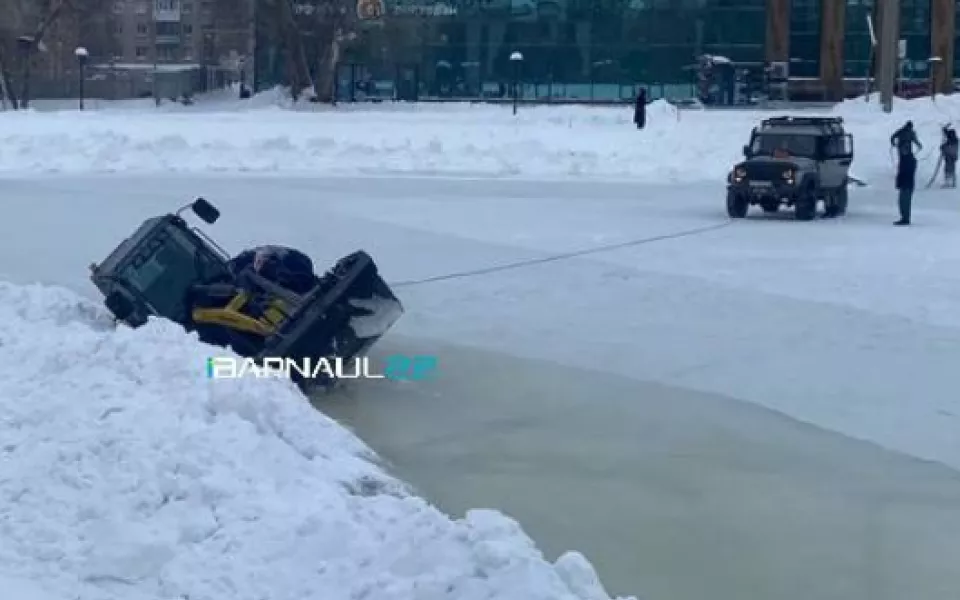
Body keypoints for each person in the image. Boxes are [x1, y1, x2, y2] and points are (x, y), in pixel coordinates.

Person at [891, 122, 922, 226]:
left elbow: (893, 136)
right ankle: (904, 218)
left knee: (904, 201)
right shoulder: (908, 132)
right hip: (906, 183)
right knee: (902, 201)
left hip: (907, 184)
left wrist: (893, 143)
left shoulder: (903, 132)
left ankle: (905, 218)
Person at [941, 123, 958, 188]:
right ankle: (951, 182)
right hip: (951, 157)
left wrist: (943, 147)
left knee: (948, 169)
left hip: (950, 157)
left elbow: (949, 148)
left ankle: (949, 182)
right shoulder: (954, 139)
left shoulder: (953, 140)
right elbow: (945, 131)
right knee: (950, 169)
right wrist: (946, 126)